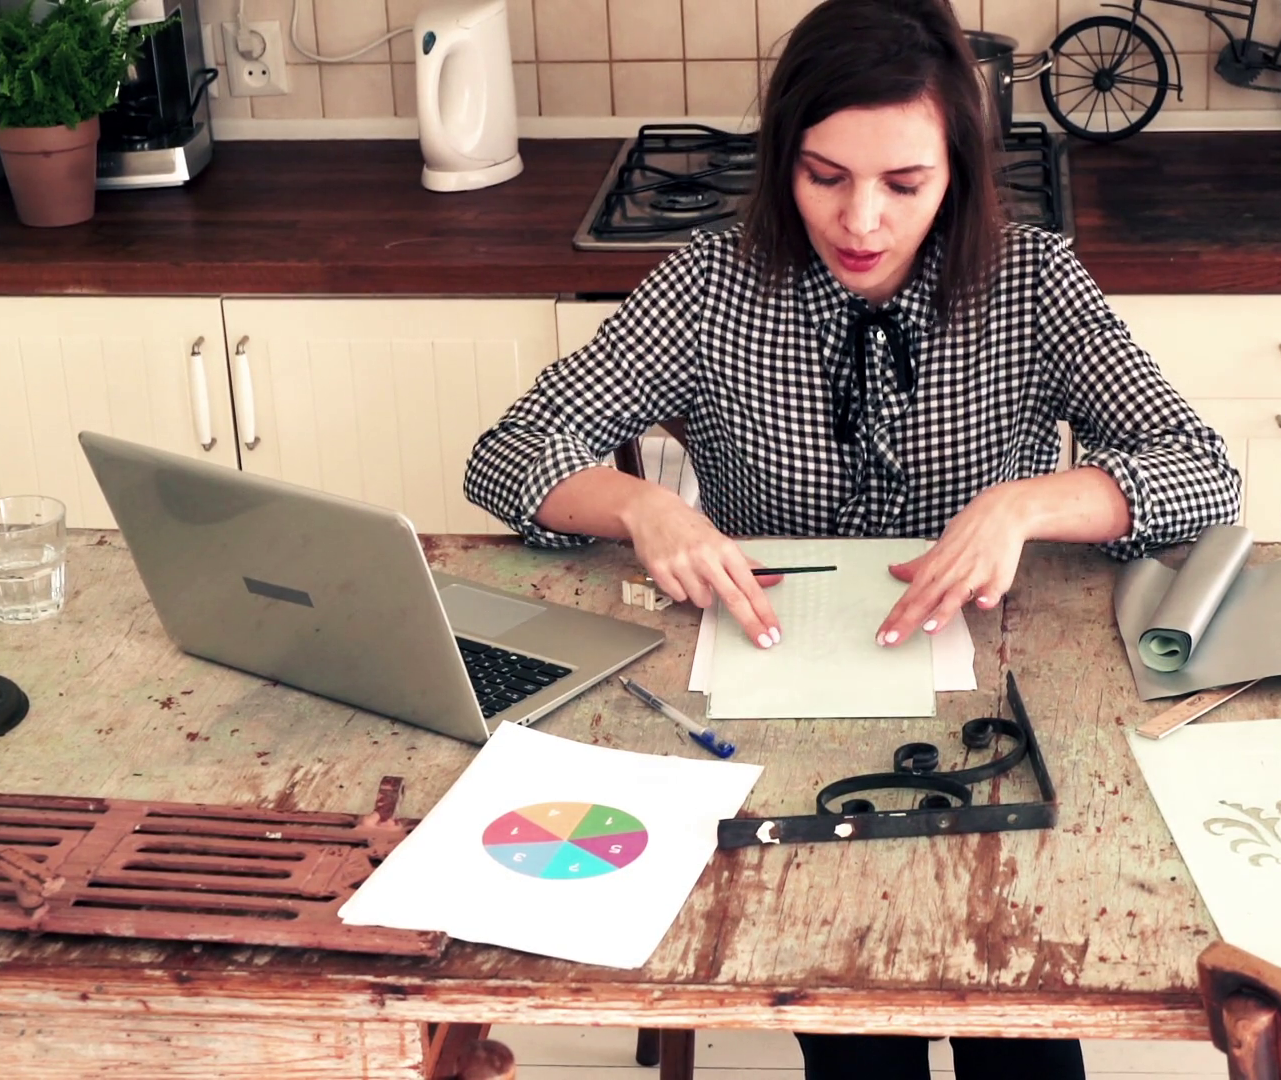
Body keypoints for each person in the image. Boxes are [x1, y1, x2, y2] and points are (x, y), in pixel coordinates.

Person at [467, 1, 1241, 1076]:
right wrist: (643, 506)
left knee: (1018, 1013)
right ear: (783, 157)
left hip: (993, 712)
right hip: (777, 714)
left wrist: (1028, 504)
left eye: (903, 184)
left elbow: (1201, 470)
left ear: (957, 173)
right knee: (850, 1022)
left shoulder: (1034, 281)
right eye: (824, 176)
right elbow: (509, 451)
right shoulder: (710, 283)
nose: (860, 221)